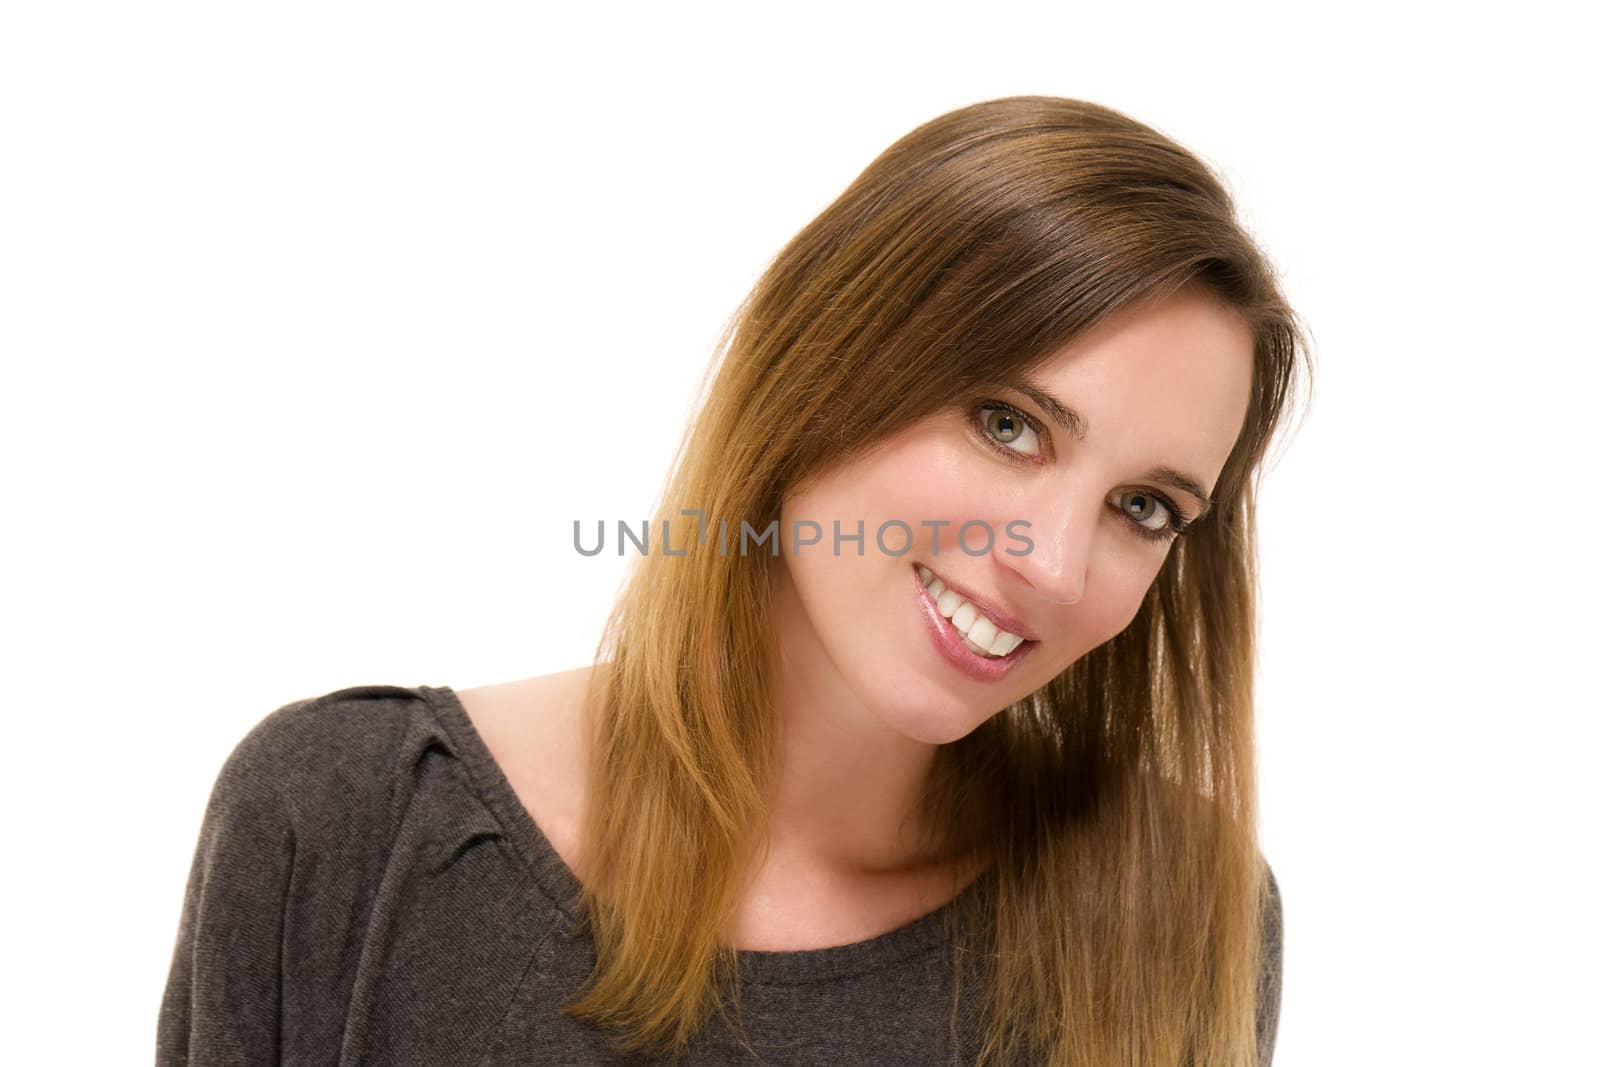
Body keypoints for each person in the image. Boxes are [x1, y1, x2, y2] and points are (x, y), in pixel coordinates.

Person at [156, 95, 1307, 1065]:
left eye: (1144, 508)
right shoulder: (350, 823)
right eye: (1007, 424)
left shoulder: (1178, 921)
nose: (1052, 564)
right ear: (823, 363)